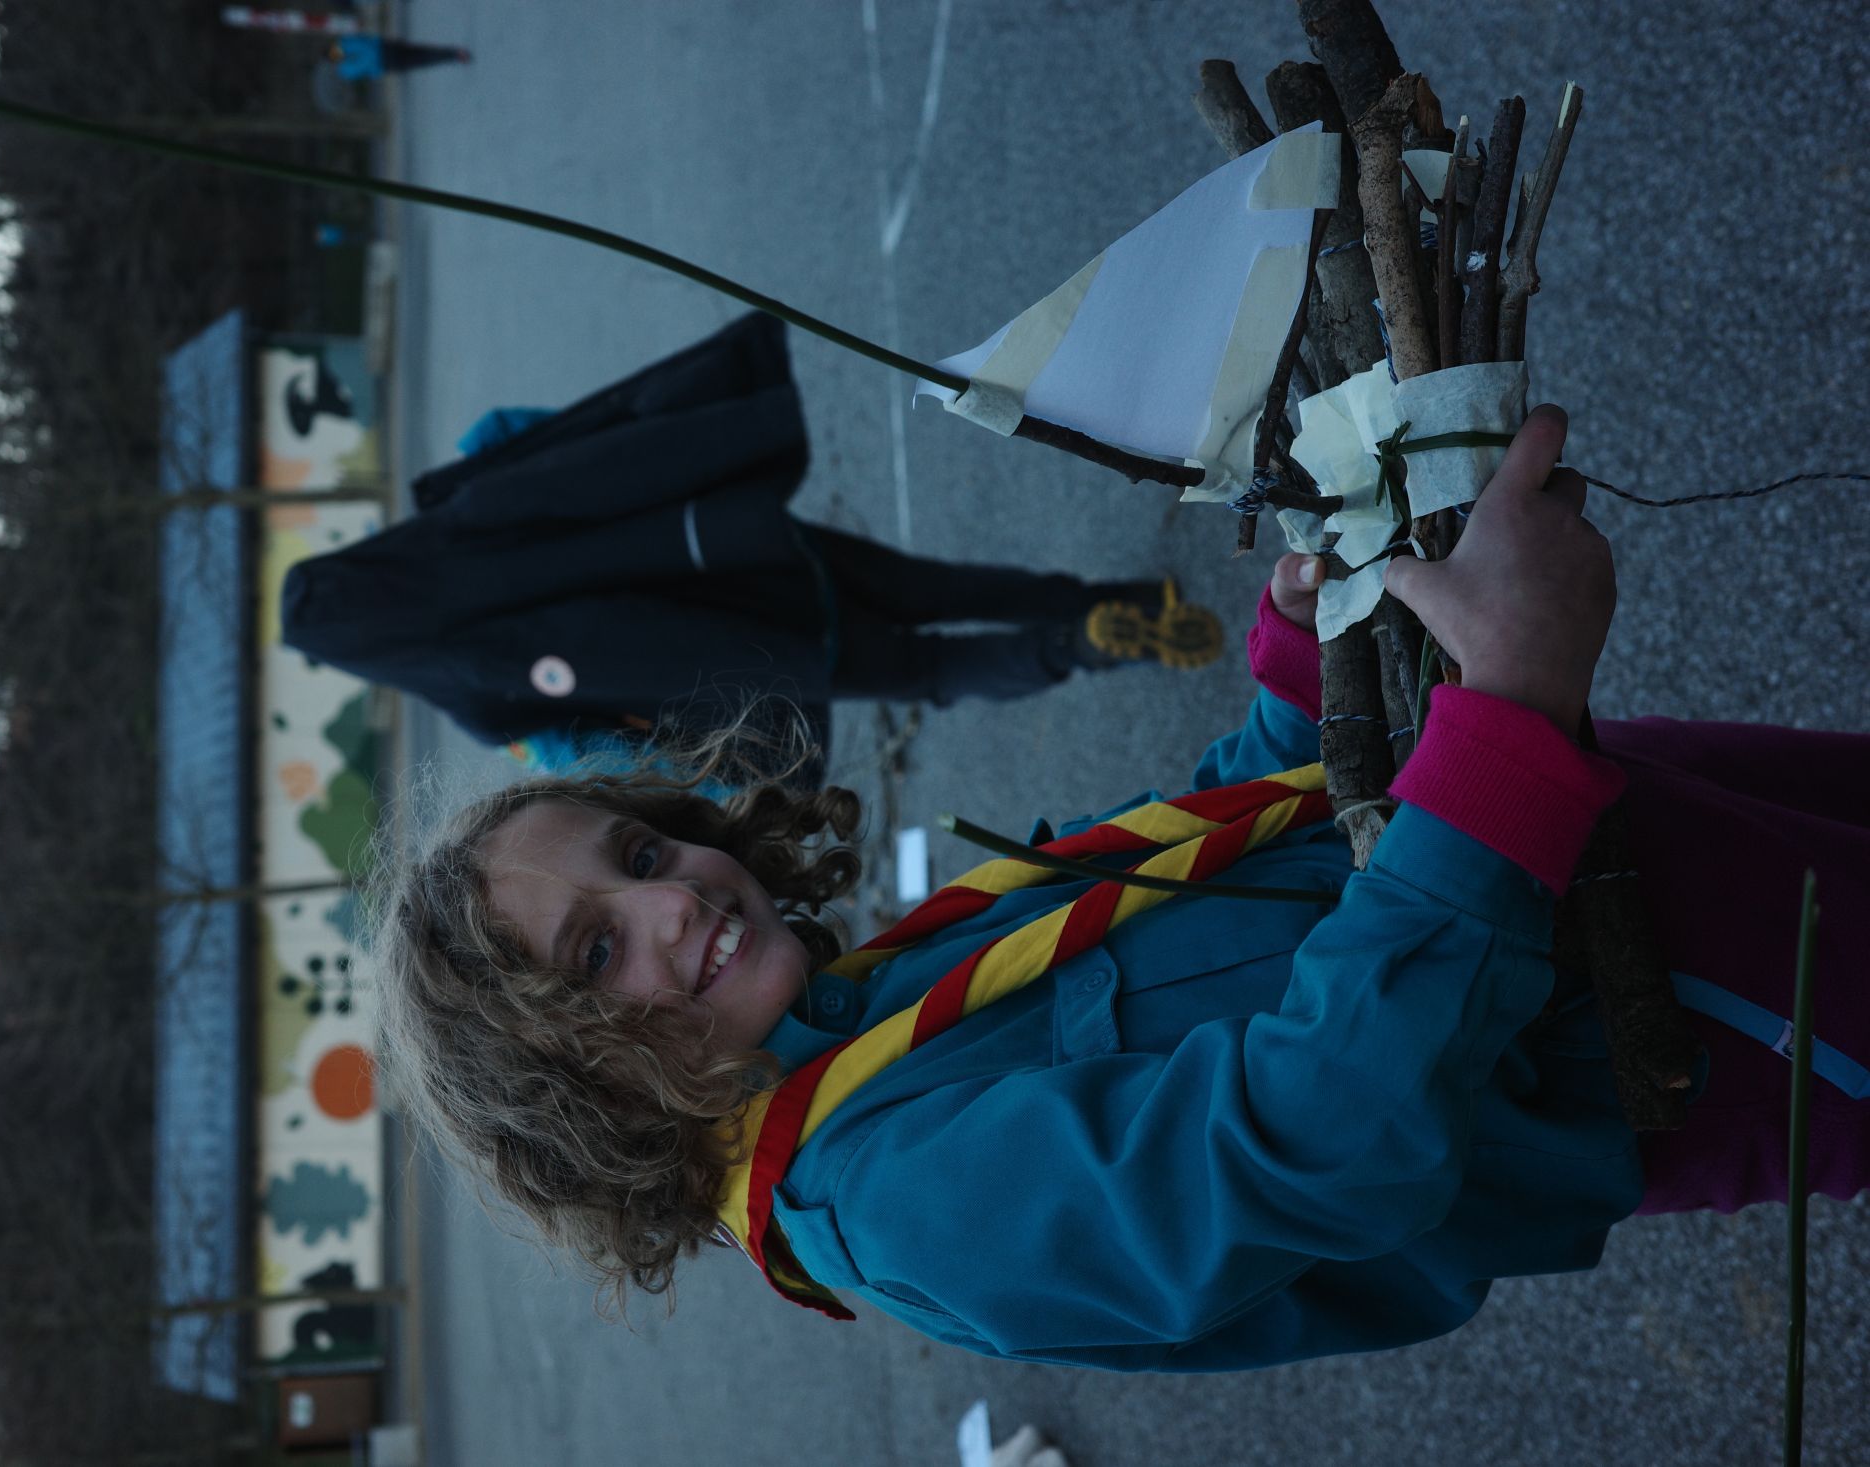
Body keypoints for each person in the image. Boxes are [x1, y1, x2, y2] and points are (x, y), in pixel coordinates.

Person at [372, 404, 1869, 1372]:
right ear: (579, 1094)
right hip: (1650, 999)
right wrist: (1508, 725)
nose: (672, 901)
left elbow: (1179, 855)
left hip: (1557, 819)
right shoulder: (895, 1205)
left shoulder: (860, 1000)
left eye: (639, 852)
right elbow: (1321, 1135)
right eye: (595, 952)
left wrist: (1305, 667)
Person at [282, 313, 1223, 787]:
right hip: (738, 551)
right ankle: (1117, 598)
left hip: (747, 652)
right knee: (933, 585)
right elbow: (537, 433)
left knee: (931, 670)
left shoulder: (475, 698)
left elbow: (590, 751)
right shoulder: (460, 502)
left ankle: (1082, 645)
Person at [325, 35, 471, 79]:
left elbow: (363, 71)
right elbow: (364, 41)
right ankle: (454, 53)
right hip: (384, 47)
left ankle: (454, 56)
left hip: (385, 63)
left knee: (421, 59)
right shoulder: (345, 43)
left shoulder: (345, 71)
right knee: (420, 51)